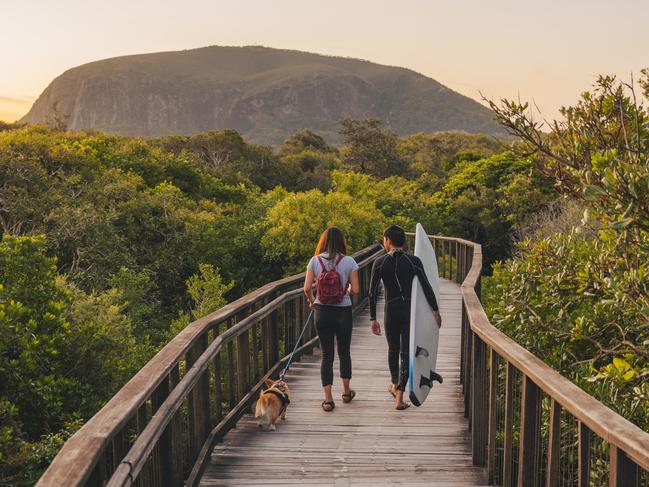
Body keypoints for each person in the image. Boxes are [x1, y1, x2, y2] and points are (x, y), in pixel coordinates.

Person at [368, 225, 442, 410]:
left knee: (393, 350)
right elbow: (426, 286)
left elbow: (371, 292)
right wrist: (435, 310)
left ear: (388, 240)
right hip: (409, 311)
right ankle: (399, 396)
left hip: (390, 311)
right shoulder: (413, 261)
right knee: (405, 353)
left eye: (384, 239)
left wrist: (372, 318)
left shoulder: (380, 262)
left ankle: (394, 384)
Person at [303, 227, 360, 412]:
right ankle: (345, 392)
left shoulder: (315, 261)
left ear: (323, 241)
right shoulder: (349, 261)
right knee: (344, 352)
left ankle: (328, 400)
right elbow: (356, 289)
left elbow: (306, 288)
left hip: (322, 312)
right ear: (341, 241)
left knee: (327, 355)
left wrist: (313, 302)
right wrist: (346, 291)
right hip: (343, 311)